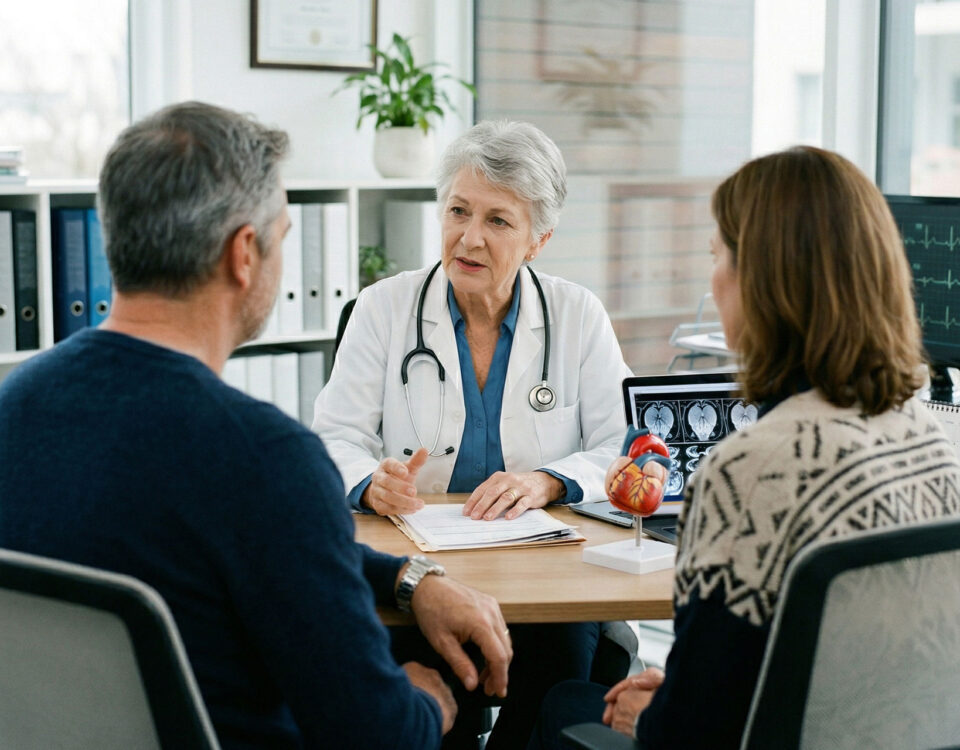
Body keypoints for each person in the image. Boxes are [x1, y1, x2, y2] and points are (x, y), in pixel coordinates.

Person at [0, 101, 515, 750]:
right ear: (245, 253)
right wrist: (426, 699)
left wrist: (407, 581)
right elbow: (380, 737)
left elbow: (267, 546)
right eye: (283, 235)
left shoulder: (14, 407)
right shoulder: (263, 458)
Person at [527, 145, 960, 750]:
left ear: (762, 284)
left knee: (565, 705)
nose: (713, 279)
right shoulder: (935, 443)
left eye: (717, 257)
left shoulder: (751, 472)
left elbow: (691, 732)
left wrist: (652, 714)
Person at [313, 120, 632, 749]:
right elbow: (332, 437)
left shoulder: (577, 316)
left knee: (554, 689)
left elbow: (626, 446)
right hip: (421, 573)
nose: (469, 237)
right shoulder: (383, 309)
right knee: (432, 705)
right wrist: (369, 482)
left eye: (498, 220)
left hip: (548, 577)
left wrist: (549, 481)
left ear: (539, 239)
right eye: (458, 210)